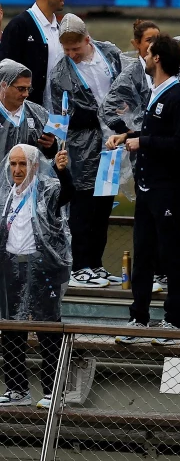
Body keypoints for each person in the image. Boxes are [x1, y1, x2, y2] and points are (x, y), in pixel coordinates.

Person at [112, 35, 180, 344]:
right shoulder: (156, 93)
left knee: (171, 254)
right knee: (143, 252)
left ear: (157, 58)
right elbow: (155, 133)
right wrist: (127, 136)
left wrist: (142, 141)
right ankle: (139, 317)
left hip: (168, 189)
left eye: (148, 54)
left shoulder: (178, 97)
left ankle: (173, 321)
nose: (144, 58)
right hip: (147, 187)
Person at [50, 13, 123, 288]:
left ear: (87, 40)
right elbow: (66, 116)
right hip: (82, 148)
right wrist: (105, 115)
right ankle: (80, 265)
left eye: (76, 49)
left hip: (112, 143)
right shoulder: (61, 73)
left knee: (104, 206)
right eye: (67, 50)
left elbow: (124, 88)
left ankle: (96, 264)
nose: (71, 54)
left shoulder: (110, 54)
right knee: (83, 207)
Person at [0, 144, 72, 408]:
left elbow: (68, 193)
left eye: (23, 164)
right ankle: (17, 389)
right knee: (11, 329)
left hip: (42, 267)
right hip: (11, 267)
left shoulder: (47, 190)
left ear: (35, 165)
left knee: (47, 330)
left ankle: (54, 392)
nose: (17, 170)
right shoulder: (6, 194)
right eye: (13, 164)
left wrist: (64, 172)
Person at [0, 0, 67, 110]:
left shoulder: (60, 28)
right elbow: (5, 74)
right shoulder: (19, 26)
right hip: (27, 114)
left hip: (57, 114)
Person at [0, 60, 56, 162]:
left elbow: (50, 157)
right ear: (4, 85)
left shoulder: (39, 114)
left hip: (29, 177)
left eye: (28, 89)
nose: (26, 94)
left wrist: (51, 145)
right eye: (21, 89)